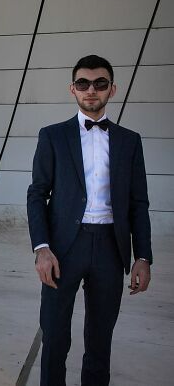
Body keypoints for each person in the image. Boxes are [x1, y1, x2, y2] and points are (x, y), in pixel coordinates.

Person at [27, 55, 152, 386]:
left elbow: (139, 203)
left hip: (111, 250)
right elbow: (37, 194)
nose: (91, 90)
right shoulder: (52, 136)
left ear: (112, 89)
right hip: (64, 249)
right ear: (73, 89)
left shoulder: (130, 141)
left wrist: (142, 256)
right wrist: (41, 247)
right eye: (83, 83)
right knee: (55, 338)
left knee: (100, 343)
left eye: (100, 83)